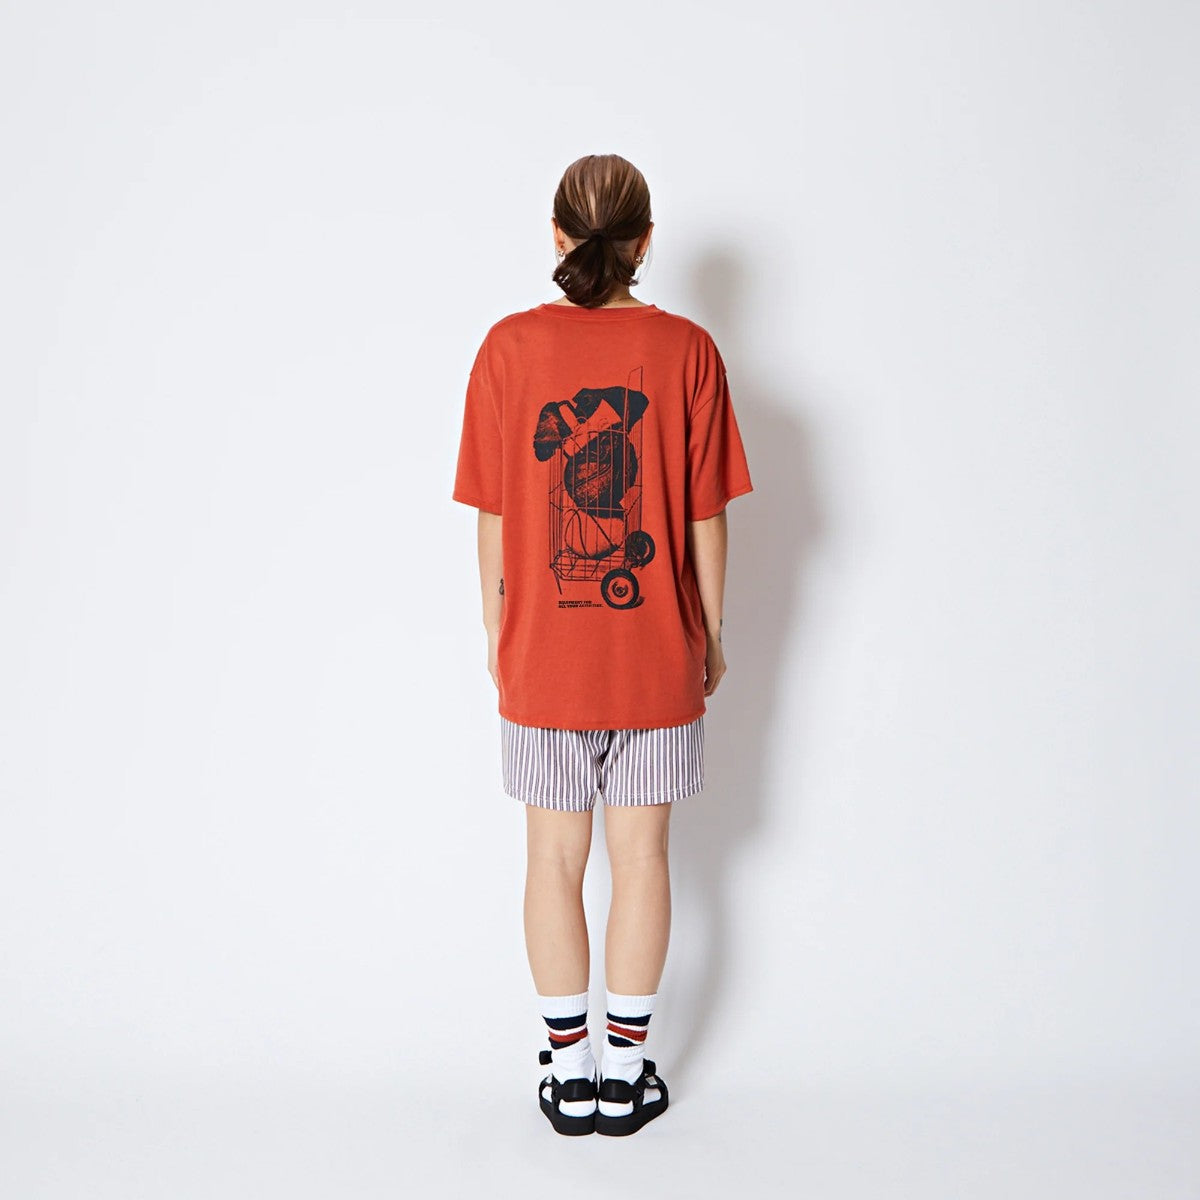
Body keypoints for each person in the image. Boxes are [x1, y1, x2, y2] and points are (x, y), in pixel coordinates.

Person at [452, 154, 753, 1136]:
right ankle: (625, 1078)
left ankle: (569, 1071)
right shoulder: (689, 352)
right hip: (655, 656)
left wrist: (497, 629)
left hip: (542, 658)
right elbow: (706, 517)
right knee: (644, 857)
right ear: (647, 243)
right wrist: (710, 632)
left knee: (552, 859)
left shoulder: (508, 349)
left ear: (555, 235)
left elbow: (493, 514)